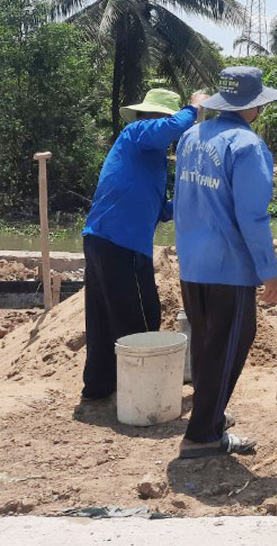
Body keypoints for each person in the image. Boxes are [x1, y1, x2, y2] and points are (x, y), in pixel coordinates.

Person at [172, 67, 277, 458]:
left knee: (207, 344)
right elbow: (252, 216)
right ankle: (202, 435)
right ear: (254, 106)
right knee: (231, 343)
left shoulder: (191, 136)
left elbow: (183, 202)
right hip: (228, 266)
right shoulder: (247, 146)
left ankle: (211, 417)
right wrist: (269, 270)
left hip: (192, 262)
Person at [79, 88, 207, 401]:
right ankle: (141, 393)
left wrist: (192, 198)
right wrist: (194, 108)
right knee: (141, 318)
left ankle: (99, 388)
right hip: (120, 243)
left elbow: (159, 208)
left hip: (104, 238)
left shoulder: (151, 158)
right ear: (157, 117)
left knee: (104, 318)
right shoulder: (136, 133)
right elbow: (170, 128)